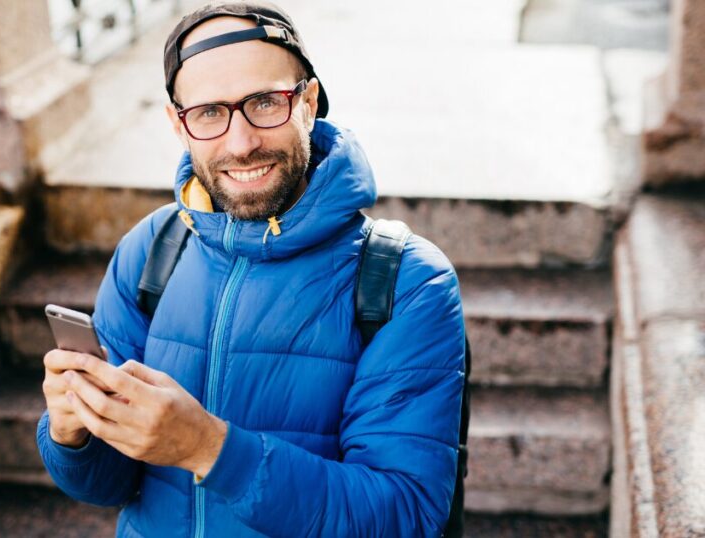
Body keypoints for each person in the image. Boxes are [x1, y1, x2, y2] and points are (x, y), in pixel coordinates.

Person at [36, 2, 466, 536]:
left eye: (266, 102)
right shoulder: (153, 249)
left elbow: (407, 514)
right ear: (178, 123)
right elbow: (108, 485)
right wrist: (71, 433)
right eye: (210, 113)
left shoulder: (406, 281)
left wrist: (209, 449)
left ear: (308, 102)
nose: (241, 144)